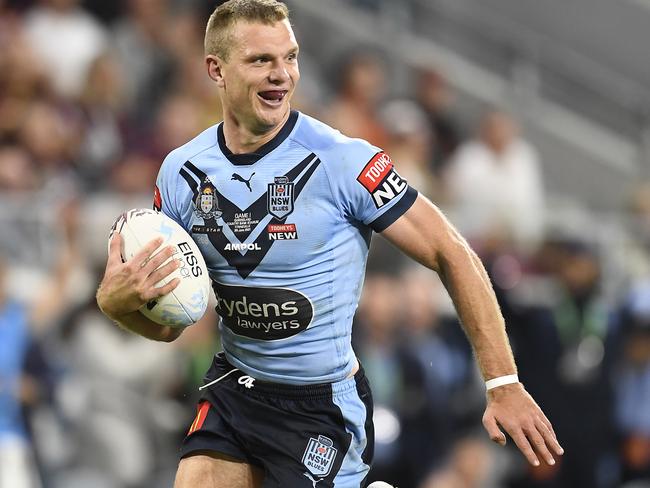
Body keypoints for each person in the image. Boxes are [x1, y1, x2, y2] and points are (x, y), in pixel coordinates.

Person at [95, 1, 563, 487]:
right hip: (235, 387)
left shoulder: (343, 163)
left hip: (318, 407)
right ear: (216, 68)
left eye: (290, 58)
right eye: (261, 60)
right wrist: (116, 304)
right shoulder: (181, 173)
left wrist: (503, 382)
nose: (282, 75)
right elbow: (172, 322)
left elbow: (451, 250)